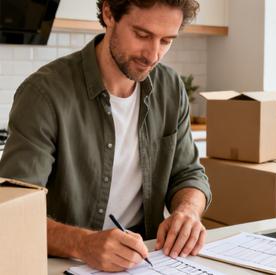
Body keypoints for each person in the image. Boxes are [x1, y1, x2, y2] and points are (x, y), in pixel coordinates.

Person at [0, 0, 209, 272]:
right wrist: (83, 244)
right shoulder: (44, 94)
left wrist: (188, 211)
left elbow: (188, 174)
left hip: (145, 262)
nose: (153, 55)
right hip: (65, 264)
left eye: (166, 41)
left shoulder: (170, 88)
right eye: (142, 35)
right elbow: (12, 212)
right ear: (109, 14)